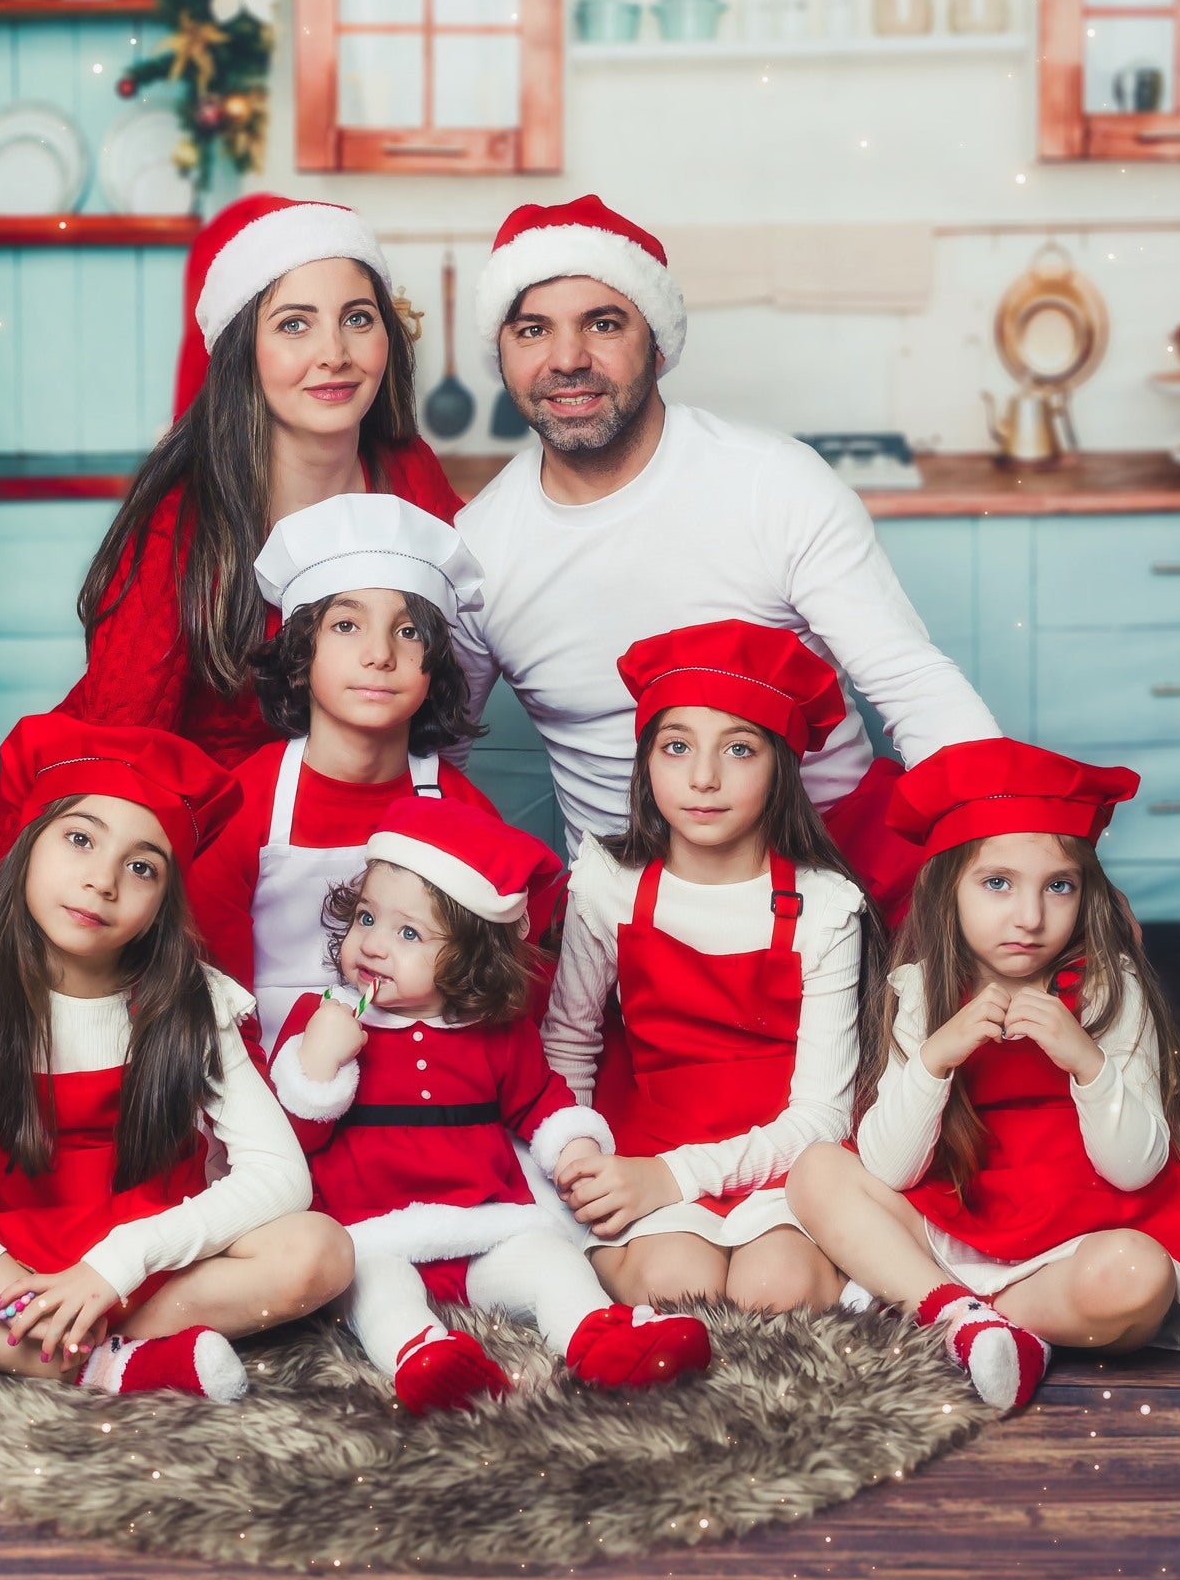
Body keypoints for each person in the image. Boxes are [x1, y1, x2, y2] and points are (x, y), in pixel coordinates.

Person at [453, 194, 1001, 925]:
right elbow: (434, 758)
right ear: (505, 355)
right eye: (533, 330)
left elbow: (913, 687)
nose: (568, 359)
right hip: (632, 913)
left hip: (834, 869)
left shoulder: (773, 482)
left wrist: (1015, 838)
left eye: (604, 323)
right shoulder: (478, 547)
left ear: (658, 342)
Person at [0, 715, 349, 1403]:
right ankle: (98, 1362)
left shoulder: (191, 1001)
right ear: (28, 849)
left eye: (141, 866)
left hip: (131, 1269)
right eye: (79, 839)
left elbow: (278, 1176)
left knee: (319, 1254)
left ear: (161, 904)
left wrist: (116, 1266)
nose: (102, 881)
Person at [0, 194, 460, 902]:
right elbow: (117, 748)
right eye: (294, 325)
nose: (335, 355)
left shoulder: (409, 473)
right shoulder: (183, 521)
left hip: (365, 829)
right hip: (191, 839)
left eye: (357, 318)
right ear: (240, 353)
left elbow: (459, 654)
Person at [785, 739, 1180, 1412]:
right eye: (997, 883)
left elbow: (1135, 1169)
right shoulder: (920, 988)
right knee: (816, 1171)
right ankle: (966, 1319)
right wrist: (937, 1058)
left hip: (1080, 1234)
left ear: (1085, 892)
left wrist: (1086, 1059)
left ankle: (958, 1314)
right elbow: (890, 1170)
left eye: (1058, 886)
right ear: (948, 890)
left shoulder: (1113, 986)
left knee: (1139, 1281)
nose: (1029, 917)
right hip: (956, 1217)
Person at [268, 797, 713, 1414]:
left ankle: (600, 1337)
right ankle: (422, 1355)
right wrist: (316, 1064)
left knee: (551, 1264)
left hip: (484, 1225)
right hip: (371, 1232)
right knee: (376, 1290)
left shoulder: (493, 1031)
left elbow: (539, 1100)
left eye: (407, 934)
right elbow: (289, 1144)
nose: (371, 945)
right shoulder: (322, 1020)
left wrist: (574, 1145)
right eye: (366, 918)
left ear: (470, 956)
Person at [543, 621, 875, 1313]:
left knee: (772, 1290)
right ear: (647, 760)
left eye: (740, 749)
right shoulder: (609, 884)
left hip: (784, 1154)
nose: (703, 778)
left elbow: (820, 1114)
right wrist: (577, 1158)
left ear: (780, 764)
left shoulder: (826, 906)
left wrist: (675, 1177)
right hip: (647, 1139)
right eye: (677, 747)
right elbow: (570, 1041)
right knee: (676, 1284)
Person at [186, 492, 502, 1048]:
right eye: (346, 626)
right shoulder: (243, 803)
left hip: (420, 1087)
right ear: (300, 659)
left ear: (435, 666)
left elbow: (503, 972)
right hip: (265, 1074)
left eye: (408, 632)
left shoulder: (460, 811)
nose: (380, 654)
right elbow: (213, 988)